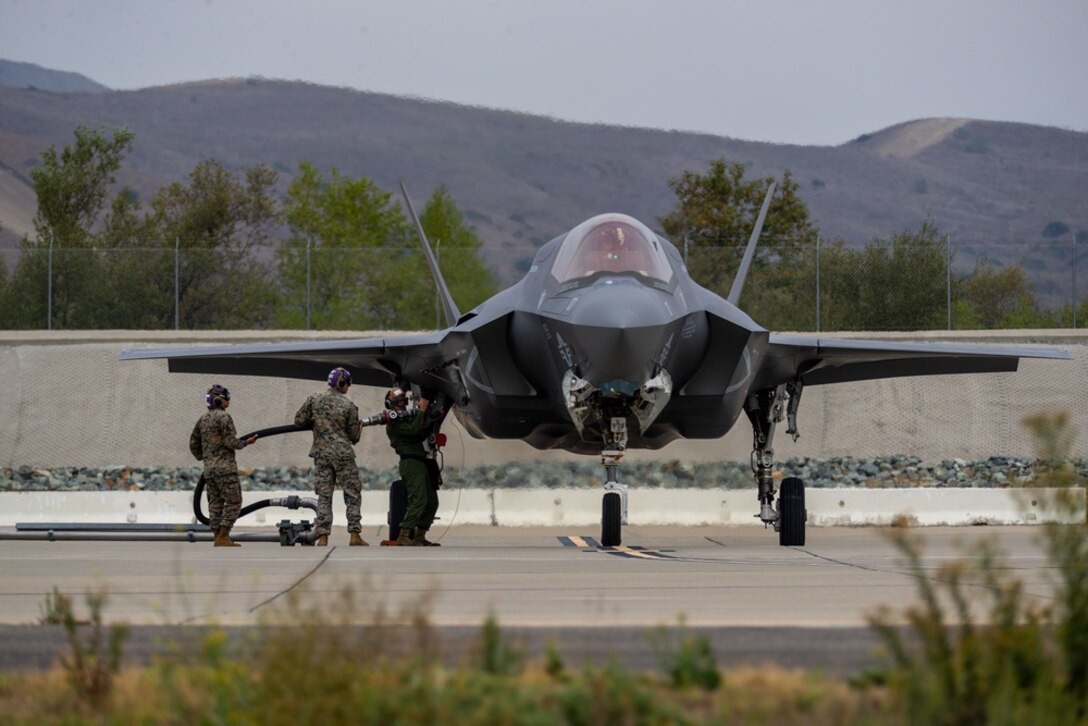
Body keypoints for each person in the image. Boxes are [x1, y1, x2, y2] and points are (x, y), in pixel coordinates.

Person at [294, 367, 366, 546]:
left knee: (324, 495)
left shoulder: (314, 400)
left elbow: (298, 421)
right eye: (347, 384)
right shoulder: (349, 406)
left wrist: (317, 421)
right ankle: (355, 534)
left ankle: (323, 536)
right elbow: (354, 437)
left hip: (322, 454)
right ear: (342, 383)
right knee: (352, 493)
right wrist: (359, 427)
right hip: (343, 454)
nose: (348, 388)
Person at [189, 384, 257, 547]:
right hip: (225, 469)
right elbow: (229, 441)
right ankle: (224, 534)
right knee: (234, 501)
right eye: (227, 398)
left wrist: (204, 457)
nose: (229, 401)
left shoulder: (203, 419)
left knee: (215, 503)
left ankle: (217, 536)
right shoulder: (224, 417)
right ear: (219, 400)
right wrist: (246, 443)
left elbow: (193, 443)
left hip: (209, 471)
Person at [385, 386, 445, 546]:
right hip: (410, 463)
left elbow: (420, 432)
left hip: (422, 462)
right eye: (398, 402)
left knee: (432, 501)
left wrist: (432, 417)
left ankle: (420, 535)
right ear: (390, 404)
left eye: (404, 401)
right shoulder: (394, 422)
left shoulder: (408, 418)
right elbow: (413, 430)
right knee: (419, 499)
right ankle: (404, 534)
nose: (402, 405)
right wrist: (422, 409)